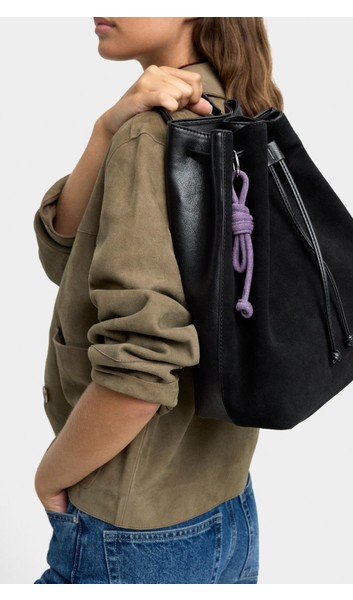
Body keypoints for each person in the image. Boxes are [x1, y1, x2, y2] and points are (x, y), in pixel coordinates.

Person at [33, 17, 284, 585]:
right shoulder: (244, 109)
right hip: (227, 505)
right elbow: (64, 260)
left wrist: (50, 476)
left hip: (131, 527)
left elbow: (142, 365)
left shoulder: (152, 136)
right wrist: (105, 129)